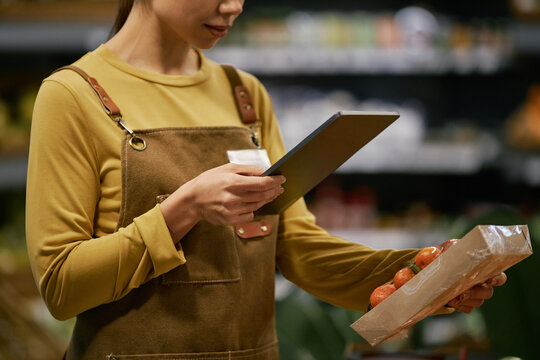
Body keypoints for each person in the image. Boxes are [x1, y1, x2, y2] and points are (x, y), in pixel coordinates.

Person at [25, 1, 507, 359]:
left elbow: (297, 249)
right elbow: (61, 288)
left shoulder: (244, 95)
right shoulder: (74, 95)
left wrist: (428, 274)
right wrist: (185, 207)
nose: (233, 5)